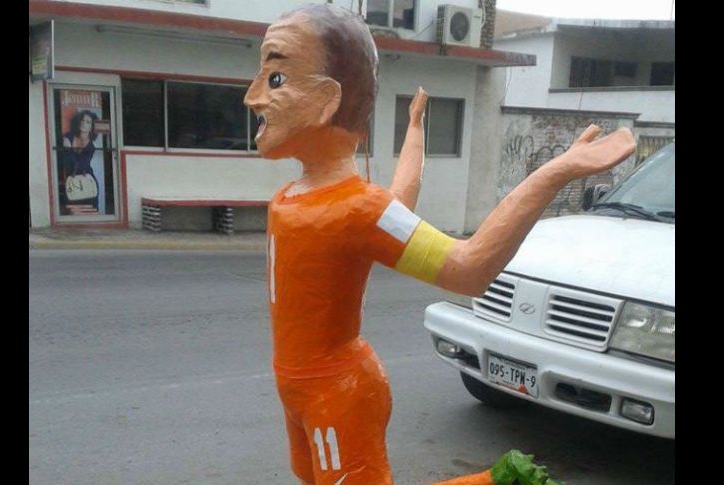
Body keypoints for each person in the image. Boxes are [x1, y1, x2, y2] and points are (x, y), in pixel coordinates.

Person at [243, 5, 635, 485]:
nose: (252, 96)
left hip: (336, 390)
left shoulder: (359, 208)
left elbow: (468, 268)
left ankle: (500, 481)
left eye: (276, 78)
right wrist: (415, 132)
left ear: (326, 100)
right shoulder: (301, 196)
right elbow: (400, 203)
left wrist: (555, 172)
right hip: (295, 387)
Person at [60, 110, 100, 211]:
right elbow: (64, 161)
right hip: (71, 182)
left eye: (88, 122)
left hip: (87, 183)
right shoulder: (68, 136)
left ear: (92, 127)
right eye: (82, 120)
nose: (84, 123)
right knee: (71, 212)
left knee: (90, 212)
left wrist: (69, 149)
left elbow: (79, 165)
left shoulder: (91, 147)